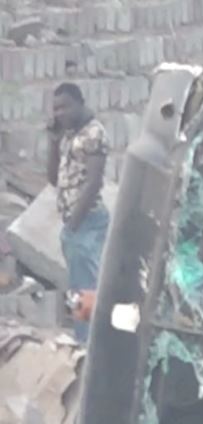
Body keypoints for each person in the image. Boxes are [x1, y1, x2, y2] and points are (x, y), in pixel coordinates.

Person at [46, 83, 110, 343]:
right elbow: (52, 178)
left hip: (87, 220)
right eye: (56, 109)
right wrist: (53, 143)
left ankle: (88, 343)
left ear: (80, 103)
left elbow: (94, 183)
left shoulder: (94, 133)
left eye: (65, 106)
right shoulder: (70, 136)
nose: (60, 113)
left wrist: (73, 225)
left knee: (85, 288)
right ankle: (85, 339)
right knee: (78, 287)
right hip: (74, 223)